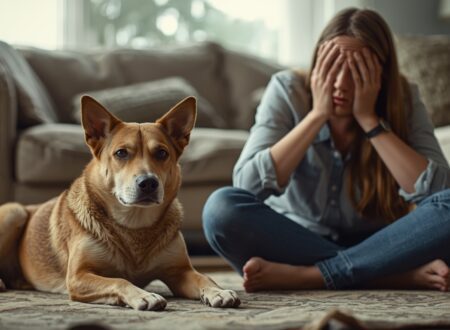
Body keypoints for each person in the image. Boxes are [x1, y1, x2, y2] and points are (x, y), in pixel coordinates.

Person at [202, 7, 450, 292]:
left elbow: (439, 194)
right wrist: (317, 115)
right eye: (332, 68)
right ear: (317, 63)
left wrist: (371, 122)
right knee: (220, 209)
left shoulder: (404, 97)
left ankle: (312, 277)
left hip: (384, 241)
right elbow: (247, 186)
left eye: (357, 71)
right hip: (296, 242)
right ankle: (392, 276)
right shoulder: (287, 89)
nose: (341, 85)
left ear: (381, 74)